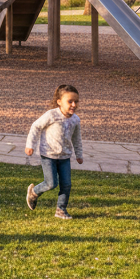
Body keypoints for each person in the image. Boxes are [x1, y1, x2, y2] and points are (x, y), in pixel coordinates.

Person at [25, 84, 85, 220]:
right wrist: (30, 145)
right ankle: (34, 192)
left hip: (65, 157)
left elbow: (77, 138)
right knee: (51, 183)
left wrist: (79, 154)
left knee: (66, 184)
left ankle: (61, 210)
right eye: (70, 101)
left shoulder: (75, 120)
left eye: (76, 101)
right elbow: (36, 127)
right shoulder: (51, 115)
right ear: (59, 102)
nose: (74, 105)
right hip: (48, 155)